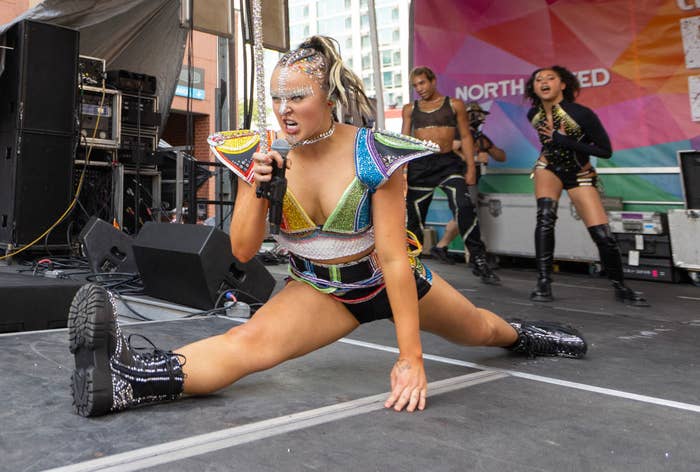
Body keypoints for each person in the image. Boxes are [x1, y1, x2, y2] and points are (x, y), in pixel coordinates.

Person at [67, 38, 588, 418]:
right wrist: (256, 183)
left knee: (482, 329)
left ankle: (528, 337)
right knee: (248, 344)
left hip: (389, 280)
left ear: (330, 96)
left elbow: (392, 258)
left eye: (297, 97)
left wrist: (411, 359)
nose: (284, 110)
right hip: (320, 289)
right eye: (277, 98)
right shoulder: (263, 155)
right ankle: (126, 379)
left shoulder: (374, 154)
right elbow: (244, 251)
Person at [525, 65, 647, 306]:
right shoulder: (533, 115)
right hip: (548, 169)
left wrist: (564, 140)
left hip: (579, 174)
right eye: (538, 79)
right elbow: (548, 143)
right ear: (534, 88)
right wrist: (547, 152)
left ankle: (620, 286)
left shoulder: (582, 114)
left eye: (550, 78)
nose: (544, 82)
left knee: (602, 234)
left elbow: (605, 150)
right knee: (545, 217)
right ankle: (543, 282)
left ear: (563, 84)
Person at [402, 67, 499, 284]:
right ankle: (410, 267)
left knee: (464, 207)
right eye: (416, 85)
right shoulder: (410, 109)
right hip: (420, 165)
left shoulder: (454, 105)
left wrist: (471, 168)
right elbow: (405, 141)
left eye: (423, 83)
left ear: (433, 81)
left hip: (448, 164)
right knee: (414, 219)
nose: (420, 89)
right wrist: (403, 172)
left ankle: (479, 260)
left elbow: (465, 136)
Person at [430, 102, 506, 265]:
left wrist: (489, 149)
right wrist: (474, 159)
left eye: (479, 115)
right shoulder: (459, 133)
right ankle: (469, 252)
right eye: (473, 114)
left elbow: (501, 156)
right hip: (461, 178)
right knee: (465, 214)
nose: (477, 118)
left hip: (473, 179)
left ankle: (443, 247)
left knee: (464, 215)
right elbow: (449, 149)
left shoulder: (479, 137)